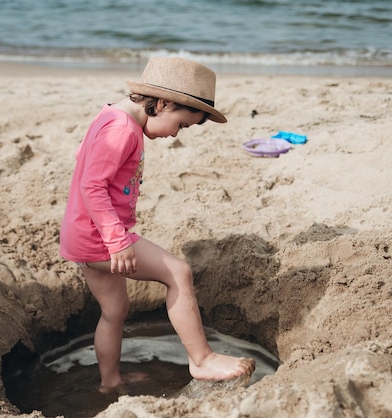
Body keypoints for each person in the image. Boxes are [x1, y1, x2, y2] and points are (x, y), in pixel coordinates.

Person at [59, 57, 255, 393]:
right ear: (162, 104)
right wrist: (117, 239)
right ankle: (202, 358)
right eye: (181, 125)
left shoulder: (110, 116)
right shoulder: (122, 131)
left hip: (82, 234)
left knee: (115, 311)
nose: (176, 135)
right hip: (101, 237)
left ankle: (110, 383)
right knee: (178, 272)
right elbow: (92, 185)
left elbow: (84, 159)